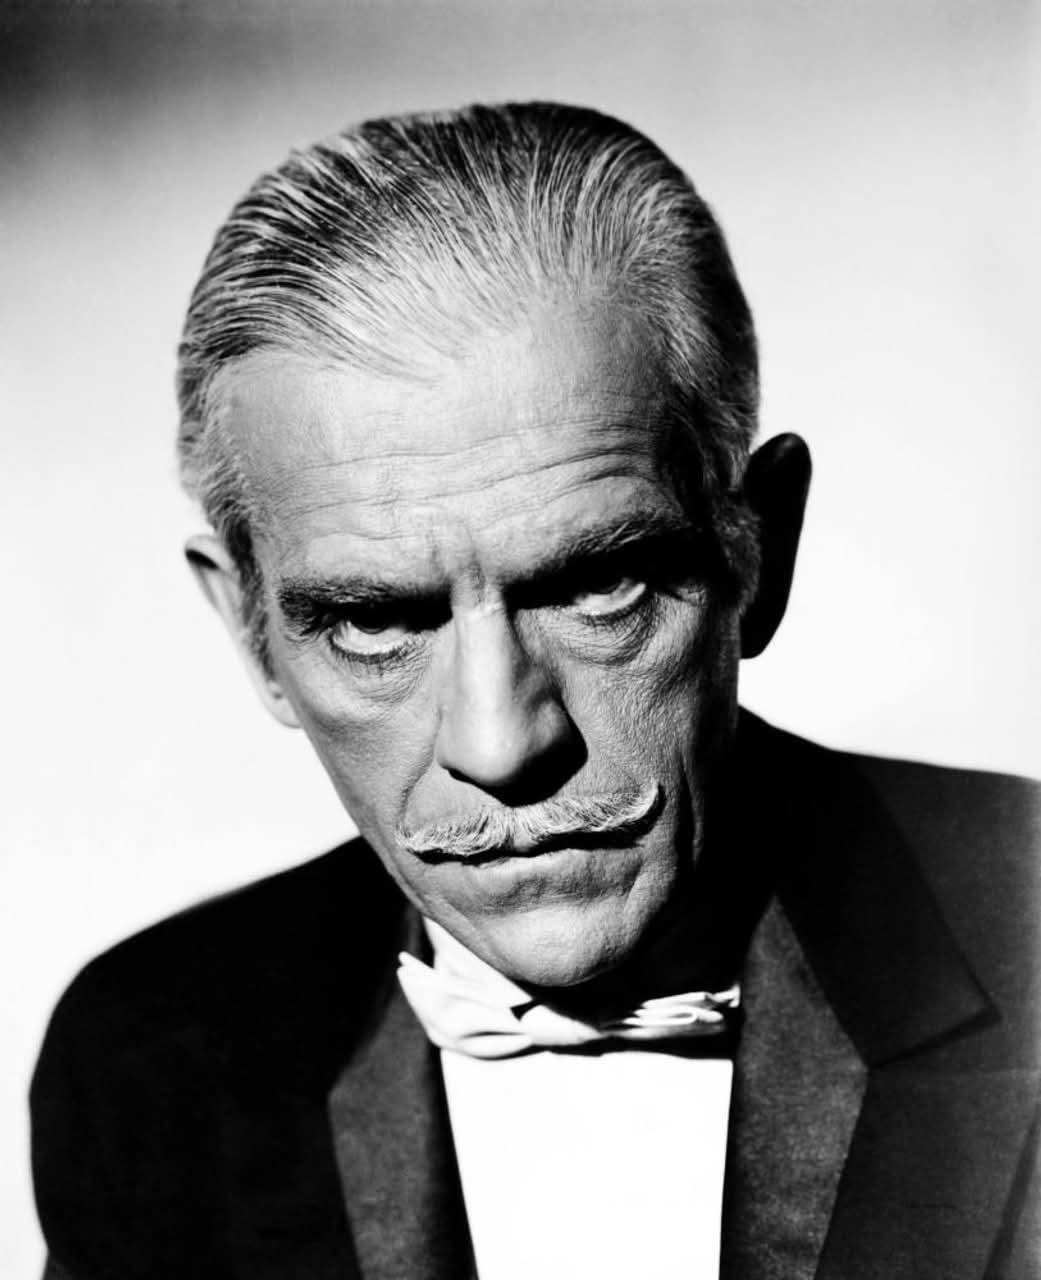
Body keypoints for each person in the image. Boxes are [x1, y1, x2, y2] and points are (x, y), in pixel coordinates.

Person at [31, 102, 1039, 1280]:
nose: (501, 744)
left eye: (600, 584)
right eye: (373, 621)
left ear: (761, 549)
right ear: (252, 633)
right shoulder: (147, 1063)